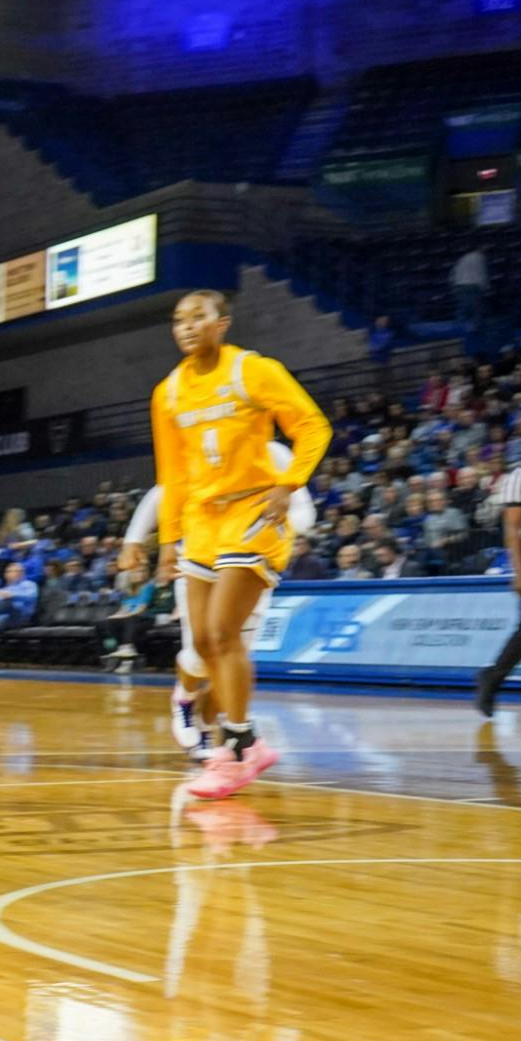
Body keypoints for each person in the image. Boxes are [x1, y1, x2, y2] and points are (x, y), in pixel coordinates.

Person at [151, 290, 329, 799]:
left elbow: (313, 426)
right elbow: (173, 473)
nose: (186, 326)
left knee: (224, 633)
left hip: (254, 511)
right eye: (178, 319)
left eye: (198, 317)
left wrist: (288, 482)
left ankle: (232, 749)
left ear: (222, 323)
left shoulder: (253, 370)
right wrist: (168, 540)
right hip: (201, 522)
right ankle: (248, 744)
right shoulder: (167, 393)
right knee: (204, 644)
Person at [124, 438, 318, 761]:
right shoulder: (208, 442)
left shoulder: (274, 454)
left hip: (252, 566)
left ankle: (206, 721)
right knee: (203, 654)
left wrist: (277, 524)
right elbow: (163, 493)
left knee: (232, 660)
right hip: (200, 559)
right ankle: (184, 699)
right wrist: (134, 538)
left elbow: (305, 510)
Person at [477, 461, 521, 716]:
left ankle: (492, 676)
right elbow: (513, 530)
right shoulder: (520, 476)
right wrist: (520, 573)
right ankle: (493, 677)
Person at [452, 246, 490, 335]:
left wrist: (454, 285)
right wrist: (486, 287)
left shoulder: (464, 257)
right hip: (472, 284)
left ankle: (458, 327)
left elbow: (454, 271)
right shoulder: (480, 257)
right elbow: (482, 272)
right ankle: (476, 329)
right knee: (476, 308)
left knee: (463, 306)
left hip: (460, 284)